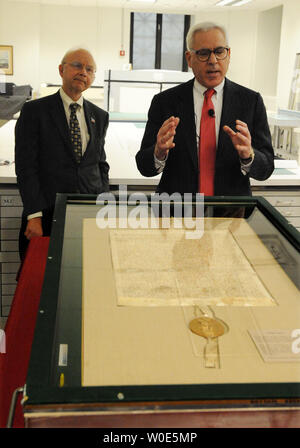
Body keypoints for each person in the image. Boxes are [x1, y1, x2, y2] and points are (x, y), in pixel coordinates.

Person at [136, 22, 274, 197]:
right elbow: (143, 165)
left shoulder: (250, 101)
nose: (213, 60)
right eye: (203, 53)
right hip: (176, 211)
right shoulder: (165, 102)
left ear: (228, 54)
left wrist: (248, 155)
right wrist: (158, 152)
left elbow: (267, 167)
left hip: (231, 214)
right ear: (189, 58)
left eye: (219, 51)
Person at [15, 48, 109, 260]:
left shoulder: (99, 116)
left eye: (89, 69)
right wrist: (34, 215)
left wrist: (101, 204)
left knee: (81, 279)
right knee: (41, 284)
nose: (83, 72)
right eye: (77, 65)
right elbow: (26, 167)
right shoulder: (34, 111)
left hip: (86, 215)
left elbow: (100, 164)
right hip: (46, 216)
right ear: (61, 70)